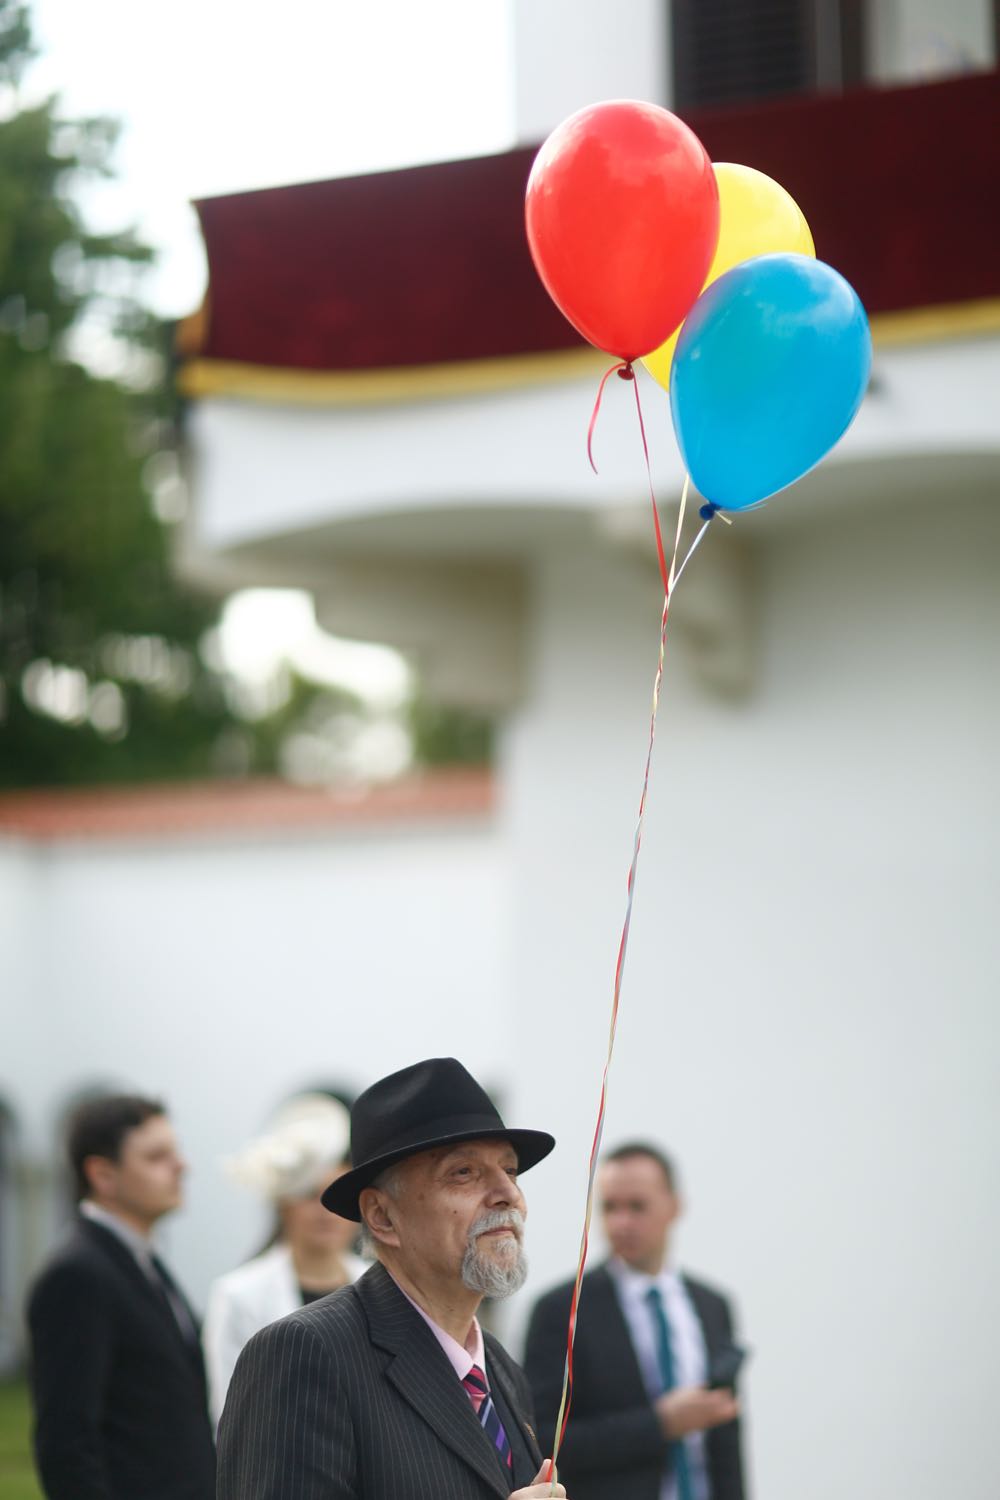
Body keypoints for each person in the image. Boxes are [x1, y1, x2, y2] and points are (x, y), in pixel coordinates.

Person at [217, 1056, 570, 1499]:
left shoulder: (502, 1371)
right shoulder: (306, 1353)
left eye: (510, 1170)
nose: (508, 1195)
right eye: (464, 1173)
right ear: (382, 1216)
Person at [524, 1142, 746, 1500]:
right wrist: (659, 1425)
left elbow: (725, 1436)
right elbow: (545, 1440)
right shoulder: (563, 1309)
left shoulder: (713, 1305)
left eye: (637, 1206)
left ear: (674, 1207)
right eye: (610, 1207)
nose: (621, 1222)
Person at [26, 1093, 215, 1500]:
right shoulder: (77, 1274)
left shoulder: (143, 1262)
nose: (181, 1166)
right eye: (156, 1156)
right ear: (102, 1174)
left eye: (175, 1152)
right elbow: (66, 1440)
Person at [203, 1092, 367, 1425]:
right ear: (282, 1204)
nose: (326, 1212)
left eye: (336, 1195)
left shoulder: (381, 1286)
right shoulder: (238, 1294)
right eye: (309, 1195)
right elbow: (228, 1413)